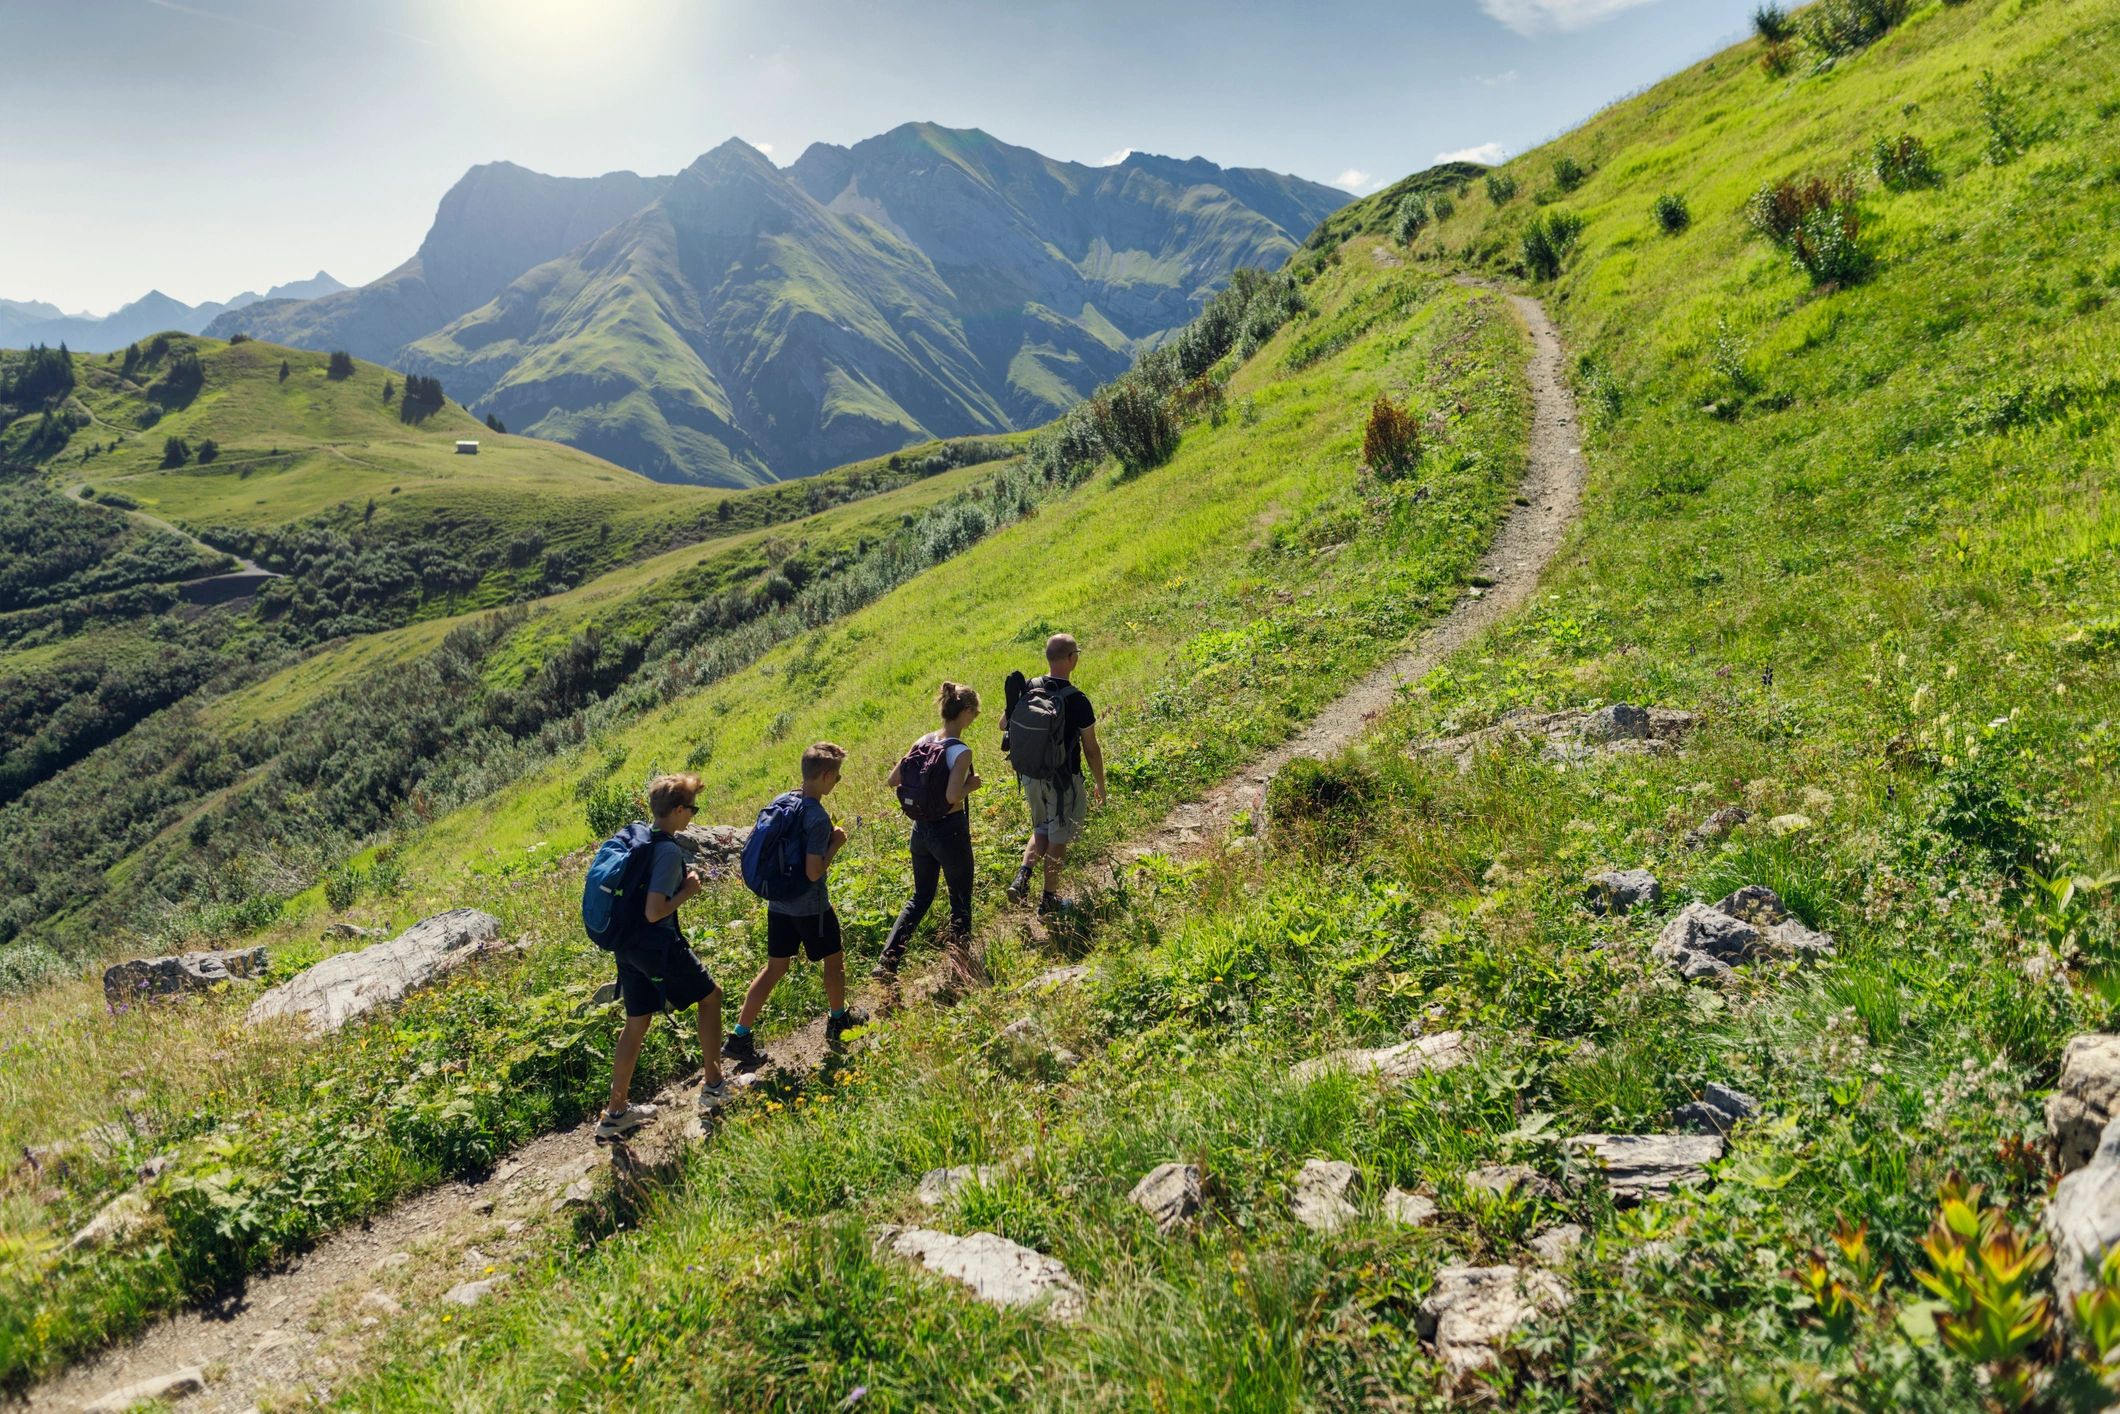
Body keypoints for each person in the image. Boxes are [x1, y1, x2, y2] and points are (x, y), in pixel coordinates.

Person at [597, 773, 727, 1138]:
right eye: (692, 808)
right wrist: (688, 890)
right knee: (711, 997)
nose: (694, 816)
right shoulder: (668, 850)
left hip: (627, 944)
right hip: (656, 943)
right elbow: (655, 911)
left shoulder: (641, 834)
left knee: (637, 1021)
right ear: (678, 809)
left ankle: (616, 1111)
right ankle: (715, 1086)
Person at [723, 742, 868, 1067]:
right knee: (834, 961)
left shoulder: (784, 799)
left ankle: (739, 1035)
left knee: (774, 968)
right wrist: (836, 844)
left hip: (778, 903)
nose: (839, 782)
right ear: (827, 775)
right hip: (811, 908)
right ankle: (838, 1020)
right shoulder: (815, 816)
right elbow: (814, 870)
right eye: (838, 776)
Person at [875, 682, 984, 980]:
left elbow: (892, 779)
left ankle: (887, 960)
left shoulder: (922, 740)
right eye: (974, 714)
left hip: (920, 831)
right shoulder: (961, 751)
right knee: (960, 897)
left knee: (921, 896)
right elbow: (952, 796)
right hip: (949, 831)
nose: (974, 720)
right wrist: (970, 786)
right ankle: (961, 964)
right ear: (965, 712)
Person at [1004, 632, 1106, 914]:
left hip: (1031, 776)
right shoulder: (1077, 701)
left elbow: (1004, 724)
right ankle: (1048, 901)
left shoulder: (1030, 686)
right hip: (1064, 780)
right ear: (1071, 659)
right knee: (1058, 838)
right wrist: (1100, 783)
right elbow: (1091, 749)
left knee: (1041, 828)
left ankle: (1023, 876)